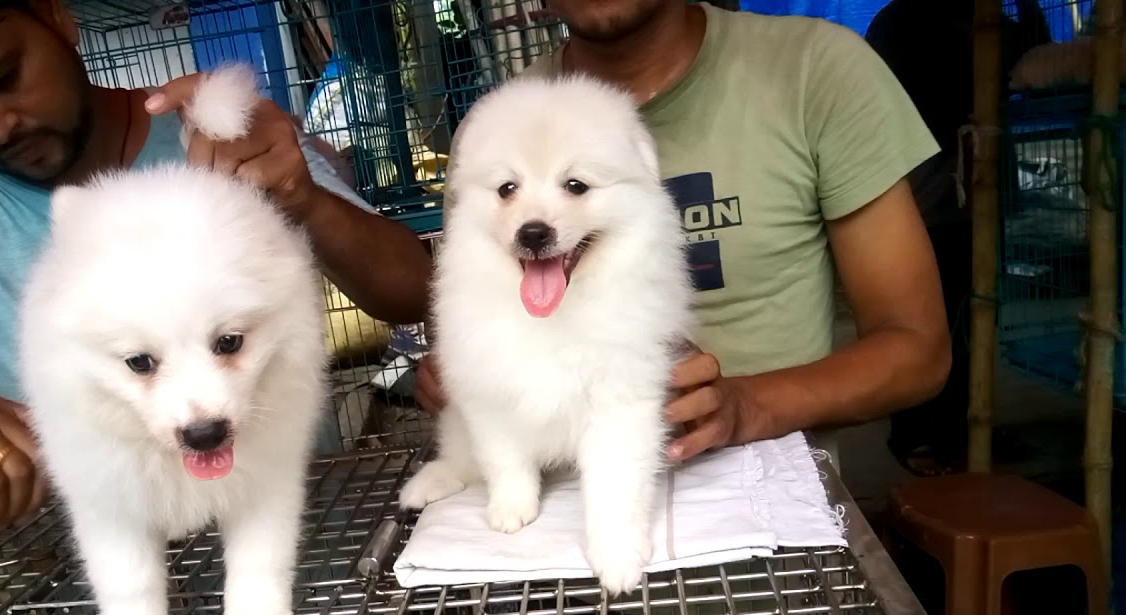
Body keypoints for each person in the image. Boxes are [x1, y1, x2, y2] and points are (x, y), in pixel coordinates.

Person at [0, 0, 433, 532]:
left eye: (3, 79)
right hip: (123, 607)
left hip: (322, 565)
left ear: (57, 18)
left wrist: (302, 200)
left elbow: (414, 293)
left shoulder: (218, 141)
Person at [415, 0, 951, 470]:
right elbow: (472, 308)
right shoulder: (496, 133)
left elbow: (918, 351)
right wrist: (464, 373)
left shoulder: (815, 71)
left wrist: (747, 406)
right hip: (550, 514)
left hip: (767, 514)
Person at [866, 0, 1051, 475]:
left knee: (969, 314)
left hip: (972, 192)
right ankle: (917, 433)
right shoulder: (902, 22)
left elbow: (1033, 54)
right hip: (922, 188)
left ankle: (966, 428)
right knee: (917, 318)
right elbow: (925, 96)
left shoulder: (986, 20)